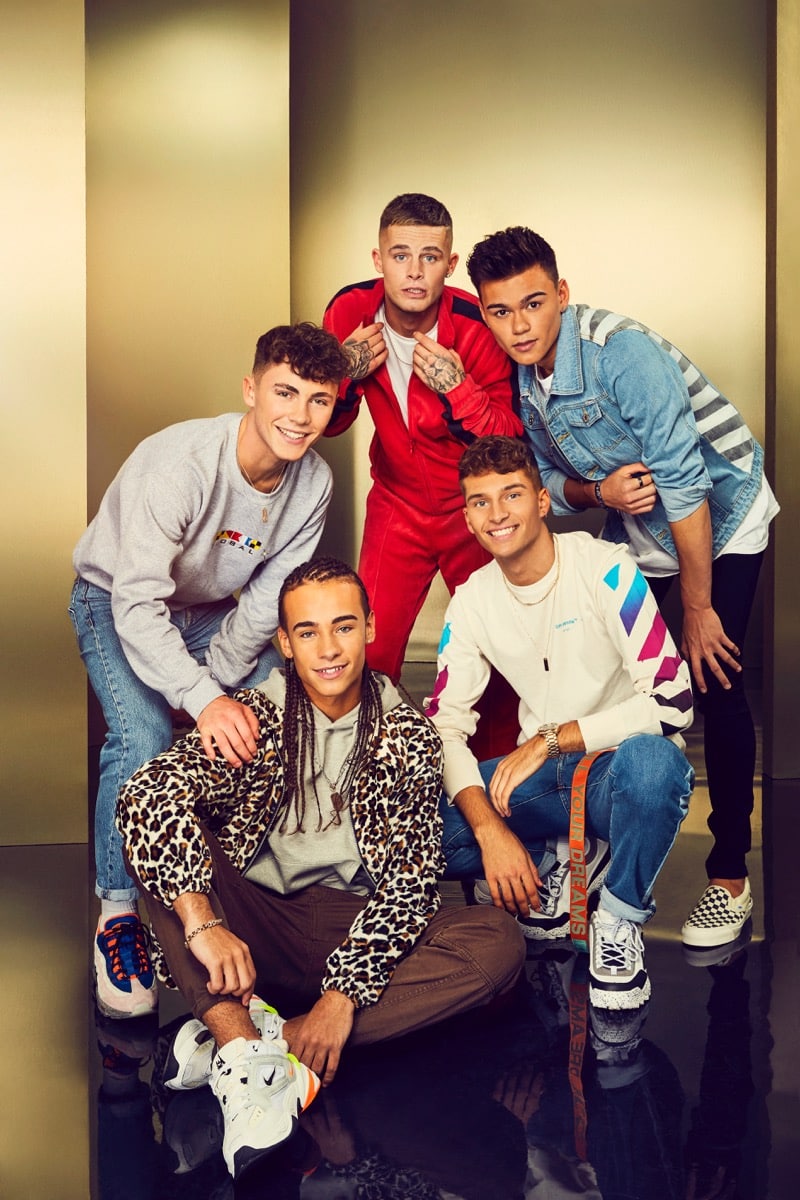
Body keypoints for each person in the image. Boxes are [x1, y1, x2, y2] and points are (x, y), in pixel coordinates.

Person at [116, 557, 524, 1180]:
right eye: (308, 632)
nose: (328, 649)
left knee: (498, 944)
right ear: (285, 642)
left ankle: (268, 1040)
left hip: (352, 925)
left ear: (370, 628)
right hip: (256, 924)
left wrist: (342, 996)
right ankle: (240, 1048)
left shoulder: (408, 734)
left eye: (344, 626)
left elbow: (409, 883)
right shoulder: (253, 716)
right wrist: (202, 922)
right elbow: (147, 793)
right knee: (155, 834)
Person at [466, 227, 779, 952]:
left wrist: (697, 609)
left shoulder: (621, 354)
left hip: (720, 518)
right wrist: (595, 490)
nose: (519, 325)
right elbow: (545, 481)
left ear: (562, 294)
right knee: (607, 671)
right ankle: (592, 837)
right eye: (500, 311)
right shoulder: (526, 374)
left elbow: (687, 484)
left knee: (714, 679)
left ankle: (730, 874)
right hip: (642, 528)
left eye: (533, 304)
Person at [70, 323, 349, 1021]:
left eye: (318, 400)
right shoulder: (182, 465)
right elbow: (137, 603)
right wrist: (198, 697)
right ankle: (119, 914)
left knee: (276, 704)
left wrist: (218, 687)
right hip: (115, 598)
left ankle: (236, 879)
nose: (300, 416)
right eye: (285, 392)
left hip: (210, 613)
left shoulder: (314, 481)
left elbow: (268, 598)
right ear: (251, 389)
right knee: (140, 738)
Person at [426, 436, 695, 1009]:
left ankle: (618, 917)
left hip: (615, 772)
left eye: (512, 494)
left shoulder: (608, 569)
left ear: (542, 501)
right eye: (480, 501)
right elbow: (443, 728)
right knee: (415, 832)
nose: (497, 514)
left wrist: (551, 740)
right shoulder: (472, 600)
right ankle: (554, 857)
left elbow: (674, 701)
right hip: (542, 785)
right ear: (468, 518)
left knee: (658, 766)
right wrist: (491, 832)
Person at [322, 193, 522, 757]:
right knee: (367, 646)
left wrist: (459, 389)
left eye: (430, 257)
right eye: (400, 255)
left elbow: (509, 443)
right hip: (397, 504)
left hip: (471, 510)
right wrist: (343, 373)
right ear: (377, 259)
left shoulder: (477, 325)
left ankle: (494, 785)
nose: (414, 271)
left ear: (450, 264)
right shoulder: (347, 311)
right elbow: (326, 424)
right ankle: (362, 772)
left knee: (498, 652)